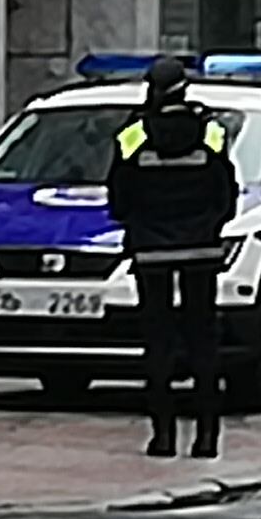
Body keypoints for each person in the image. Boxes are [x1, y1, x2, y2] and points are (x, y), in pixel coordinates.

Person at [105, 53, 242, 460]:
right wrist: (209, 224)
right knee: (203, 341)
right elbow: (226, 190)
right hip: (201, 249)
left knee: (158, 343)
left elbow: (118, 196)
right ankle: (206, 438)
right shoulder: (211, 132)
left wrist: (142, 225)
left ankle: (162, 437)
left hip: (151, 252)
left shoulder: (134, 133)